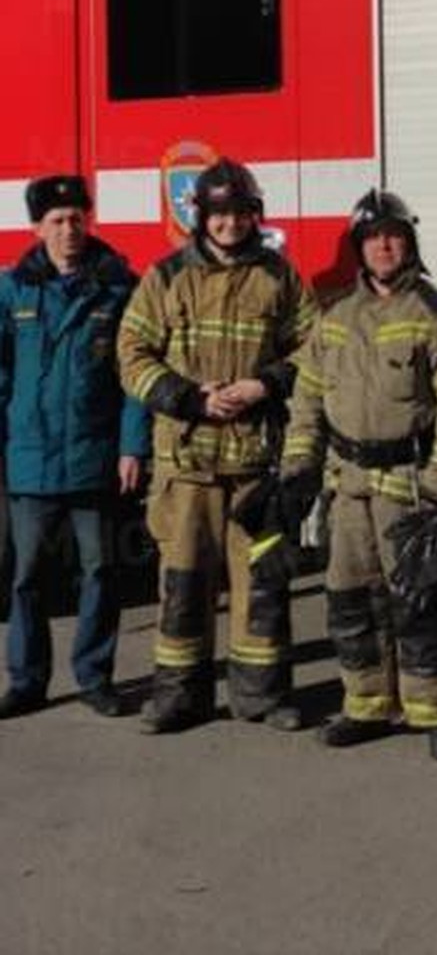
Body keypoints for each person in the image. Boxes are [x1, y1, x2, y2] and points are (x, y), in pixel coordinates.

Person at [280, 189, 437, 759]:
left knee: (421, 601)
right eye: (372, 238)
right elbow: (307, 400)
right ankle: (365, 703)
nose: (384, 246)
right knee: (350, 599)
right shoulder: (336, 318)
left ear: (409, 242)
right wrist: (299, 468)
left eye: (393, 236)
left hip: (411, 485)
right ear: (359, 248)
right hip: (348, 487)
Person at [118, 159, 315, 734]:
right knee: (182, 585)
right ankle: (180, 698)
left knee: (262, 587)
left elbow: (316, 349)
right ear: (201, 216)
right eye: (219, 214)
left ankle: (261, 697)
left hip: (254, 464)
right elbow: (131, 354)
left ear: (255, 215)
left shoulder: (280, 277)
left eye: (240, 213)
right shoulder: (166, 276)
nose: (230, 224)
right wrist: (189, 398)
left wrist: (265, 384)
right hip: (187, 465)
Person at [0, 175, 149, 719]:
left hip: (94, 458)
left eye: (77, 219)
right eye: (57, 221)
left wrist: (132, 447)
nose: (69, 230)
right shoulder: (12, 289)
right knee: (26, 578)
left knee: (101, 572)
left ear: (89, 222)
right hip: (30, 461)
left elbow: (135, 380)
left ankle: (94, 676)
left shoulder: (119, 289)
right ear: (36, 227)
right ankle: (27, 680)